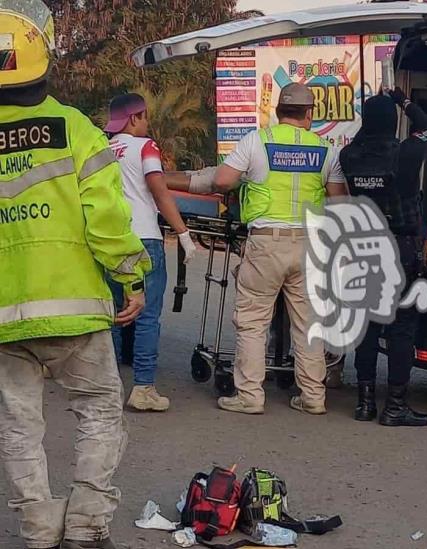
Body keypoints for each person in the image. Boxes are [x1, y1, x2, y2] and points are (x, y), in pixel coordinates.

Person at [0, 2, 152, 548]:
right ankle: (86, 527)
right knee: (99, 411)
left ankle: (39, 530)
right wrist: (132, 278)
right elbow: (108, 221)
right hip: (74, 309)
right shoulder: (76, 131)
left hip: (4, 318)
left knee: (19, 427)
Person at [185, 83, 347, 415]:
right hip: (309, 245)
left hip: (266, 243)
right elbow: (339, 200)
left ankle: (249, 396)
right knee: (307, 323)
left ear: (278, 111)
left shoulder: (256, 140)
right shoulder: (325, 149)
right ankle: (313, 396)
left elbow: (222, 181)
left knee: (253, 320)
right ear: (309, 114)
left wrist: (248, 179)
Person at [339, 87, 427, 427]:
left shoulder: (349, 156)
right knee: (401, 329)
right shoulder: (405, 153)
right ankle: (395, 406)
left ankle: (365, 403)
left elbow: (361, 139)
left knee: (366, 326)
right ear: (393, 121)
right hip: (400, 248)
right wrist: (404, 101)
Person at [104, 93, 197, 412]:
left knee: (116, 313)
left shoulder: (102, 148)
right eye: (144, 117)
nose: (147, 123)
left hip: (111, 240)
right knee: (145, 316)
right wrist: (183, 233)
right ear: (134, 118)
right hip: (144, 239)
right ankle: (143, 387)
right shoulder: (146, 147)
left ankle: (109, 387)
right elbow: (159, 189)